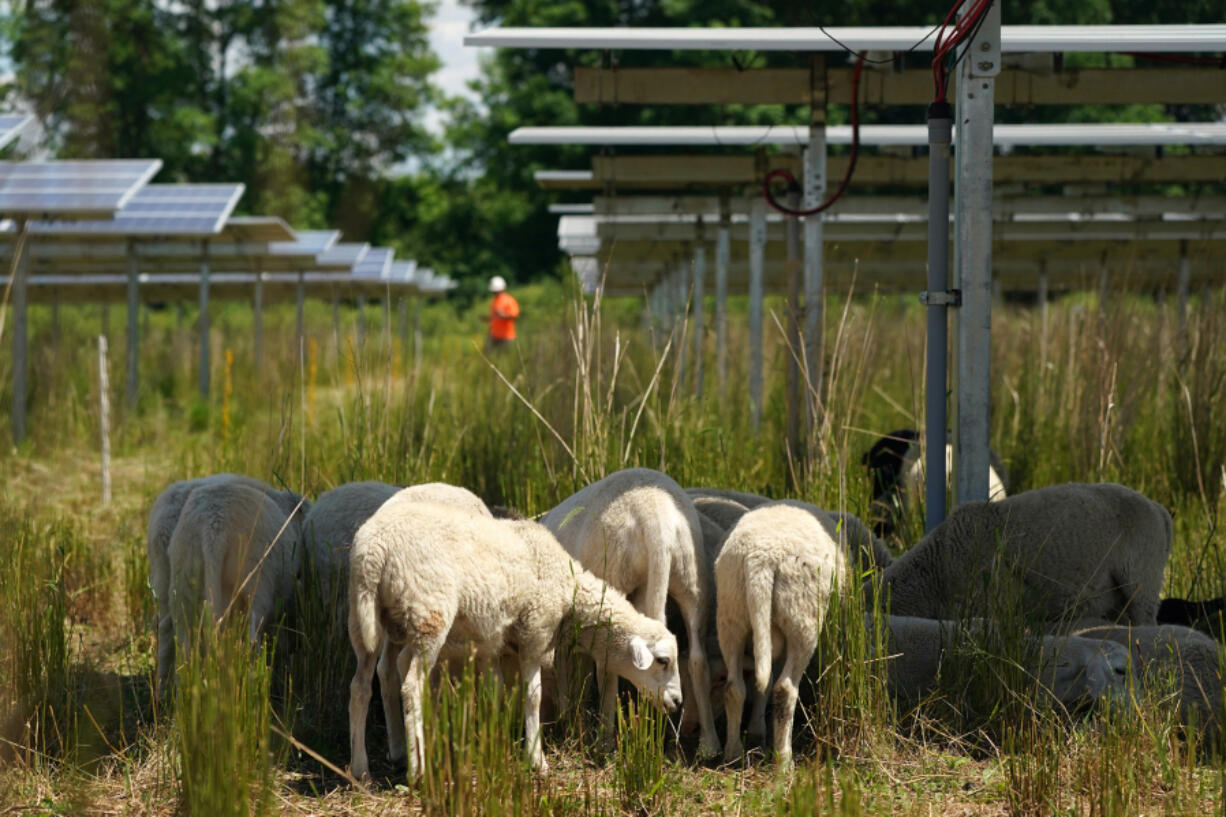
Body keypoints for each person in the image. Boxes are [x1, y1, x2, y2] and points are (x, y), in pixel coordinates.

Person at [485, 275, 520, 349]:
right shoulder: (494, 301)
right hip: (494, 335)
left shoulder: (509, 300)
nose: (494, 293)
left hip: (507, 336)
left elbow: (514, 317)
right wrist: (489, 319)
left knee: (505, 358)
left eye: (496, 291)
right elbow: (495, 317)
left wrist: (502, 314)